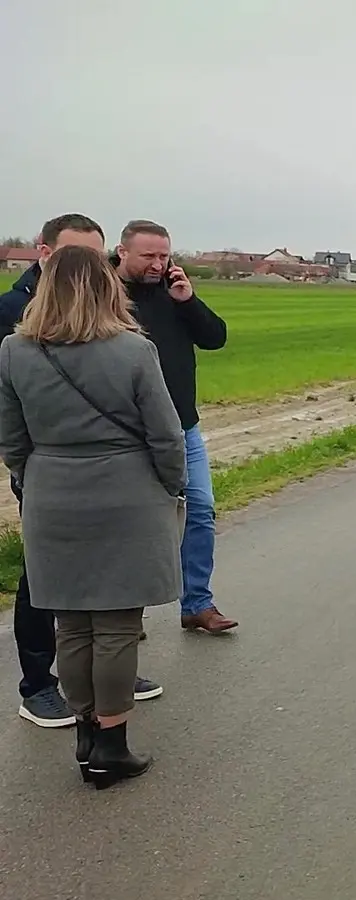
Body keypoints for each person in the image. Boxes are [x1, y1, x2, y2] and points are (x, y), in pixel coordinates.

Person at [0, 245, 186, 788]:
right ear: (107, 288)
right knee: (117, 626)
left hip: (52, 495)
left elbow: (12, 439)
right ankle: (111, 743)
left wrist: (39, 479)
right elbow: (166, 435)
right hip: (127, 494)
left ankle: (85, 732)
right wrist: (170, 485)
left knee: (71, 624)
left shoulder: (14, 351)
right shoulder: (134, 350)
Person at [111, 220, 233, 634]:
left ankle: (197, 603)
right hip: (129, 433)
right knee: (131, 523)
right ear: (122, 252)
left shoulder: (174, 293)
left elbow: (215, 338)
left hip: (183, 427)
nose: (157, 264)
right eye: (148, 256)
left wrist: (188, 301)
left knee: (199, 510)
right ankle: (124, 614)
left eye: (164, 256)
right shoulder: (104, 296)